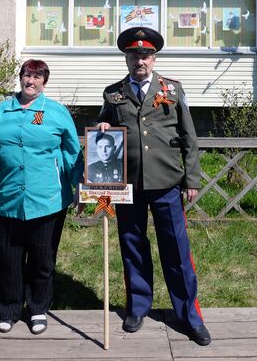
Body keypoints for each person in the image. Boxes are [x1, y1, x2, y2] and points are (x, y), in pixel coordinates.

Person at [95, 27, 211, 346]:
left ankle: (189, 315)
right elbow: (104, 127)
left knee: (176, 250)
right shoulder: (113, 93)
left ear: (154, 58)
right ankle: (138, 307)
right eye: (134, 55)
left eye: (145, 55)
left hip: (166, 182)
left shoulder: (172, 89)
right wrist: (103, 126)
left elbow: (189, 137)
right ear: (127, 59)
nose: (139, 60)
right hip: (128, 184)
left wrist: (192, 179)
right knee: (133, 246)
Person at [0, 59, 83, 335]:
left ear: (45, 81)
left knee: (43, 259)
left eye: (36, 77)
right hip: (7, 199)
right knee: (8, 257)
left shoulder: (55, 112)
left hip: (47, 200)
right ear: (19, 79)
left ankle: (38, 308)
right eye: (26, 76)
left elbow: (71, 152)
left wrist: (78, 187)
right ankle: (9, 308)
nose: (30, 81)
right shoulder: (0, 111)